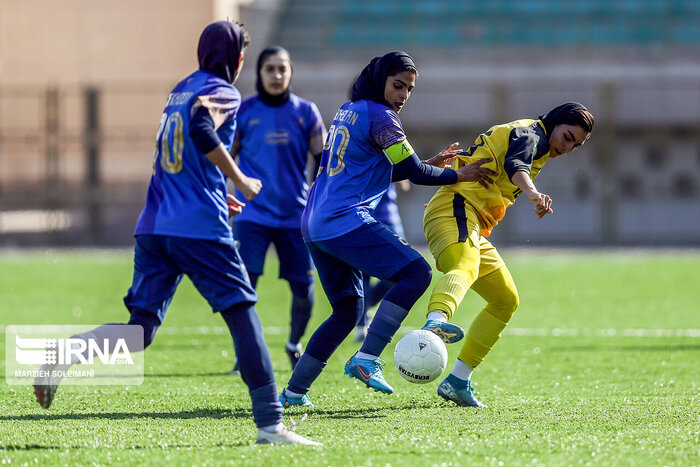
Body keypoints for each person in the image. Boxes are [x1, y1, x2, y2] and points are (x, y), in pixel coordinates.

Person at [32, 21, 319, 446]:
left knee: (141, 330)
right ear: (234, 58)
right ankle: (271, 424)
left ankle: (63, 355)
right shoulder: (223, 91)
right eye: (241, 53)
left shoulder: (180, 89)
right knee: (242, 313)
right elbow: (203, 130)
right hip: (197, 229)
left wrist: (218, 191)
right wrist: (239, 179)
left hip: (154, 226)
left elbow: (183, 151)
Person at [277, 51, 498, 408]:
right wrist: (460, 174)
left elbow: (385, 169)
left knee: (347, 311)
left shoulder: (350, 110)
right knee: (416, 271)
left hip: (315, 223)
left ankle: (292, 393)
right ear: (380, 80)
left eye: (409, 89)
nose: (403, 95)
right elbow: (413, 172)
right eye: (398, 85)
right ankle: (367, 358)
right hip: (343, 220)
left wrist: (425, 164)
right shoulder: (382, 117)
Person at [423, 102, 595, 407]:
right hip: (457, 209)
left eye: (576, 145)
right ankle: (435, 322)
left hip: (466, 216)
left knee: (505, 300)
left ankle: (458, 380)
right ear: (555, 122)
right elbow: (517, 166)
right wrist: (532, 193)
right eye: (568, 137)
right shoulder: (530, 134)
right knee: (465, 266)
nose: (568, 147)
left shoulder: (537, 142)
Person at [229, 46, 326, 373]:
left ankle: (293, 343)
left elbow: (323, 159)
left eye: (282, 68)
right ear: (259, 73)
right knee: (244, 286)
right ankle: (245, 353)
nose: (276, 75)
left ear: (290, 72)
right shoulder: (244, 112)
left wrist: (318, 197)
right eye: (270, 69)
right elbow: (226, 158)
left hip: (295, 216)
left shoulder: (306, 112)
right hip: (251, 215)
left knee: (304, 289)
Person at [354, 181, 409, 342]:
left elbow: (404, 183)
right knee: (362, 273)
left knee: (405, 270)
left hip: (389, 217)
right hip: (363, 217)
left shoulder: (392, 154)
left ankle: (366, 305)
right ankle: (361, 326)